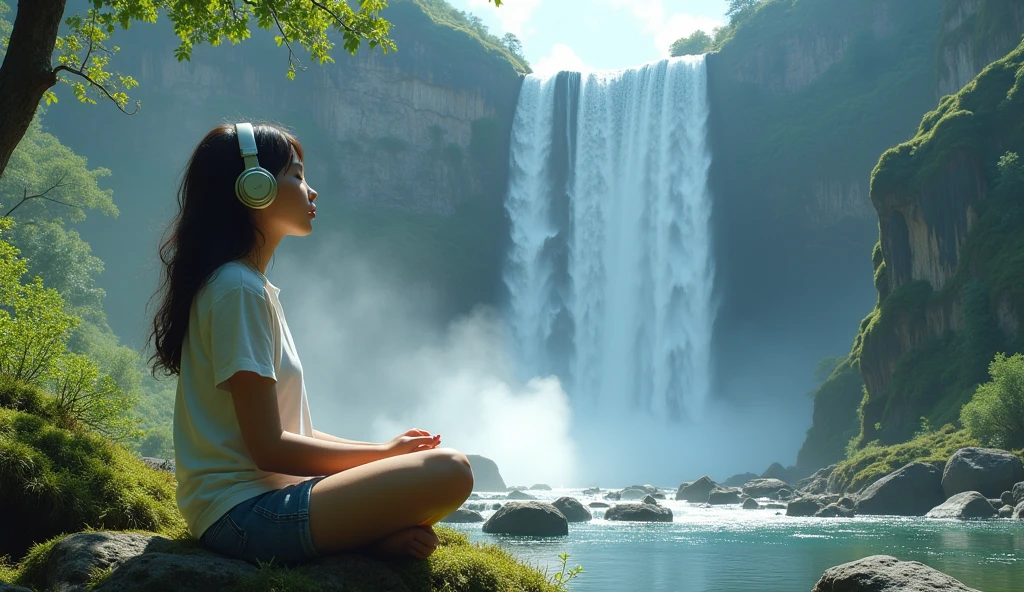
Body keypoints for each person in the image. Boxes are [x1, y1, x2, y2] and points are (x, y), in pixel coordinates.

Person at [147, 122, 473, 566]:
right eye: (297, 176)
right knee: (451, 470)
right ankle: (366, 539)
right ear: (253, 187)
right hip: (243, 516)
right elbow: (270, 448)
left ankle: (365, 538)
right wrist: (380, 458)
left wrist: (386, 453)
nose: (311, 191)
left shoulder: (248, 286)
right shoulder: (237, 290)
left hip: (262, 503)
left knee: (431, 469)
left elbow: (288, 431)